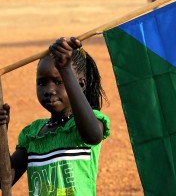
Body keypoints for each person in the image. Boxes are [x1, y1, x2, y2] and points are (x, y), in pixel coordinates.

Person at [0, 37, 110, 195]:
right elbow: (5, 179)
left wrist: (65, 69)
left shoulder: (84, 125)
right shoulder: (33, 135)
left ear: (80, 84)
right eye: (42, 83)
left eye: (59, 82)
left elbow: (93, 136)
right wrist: (1, 131)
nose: (49, 90)